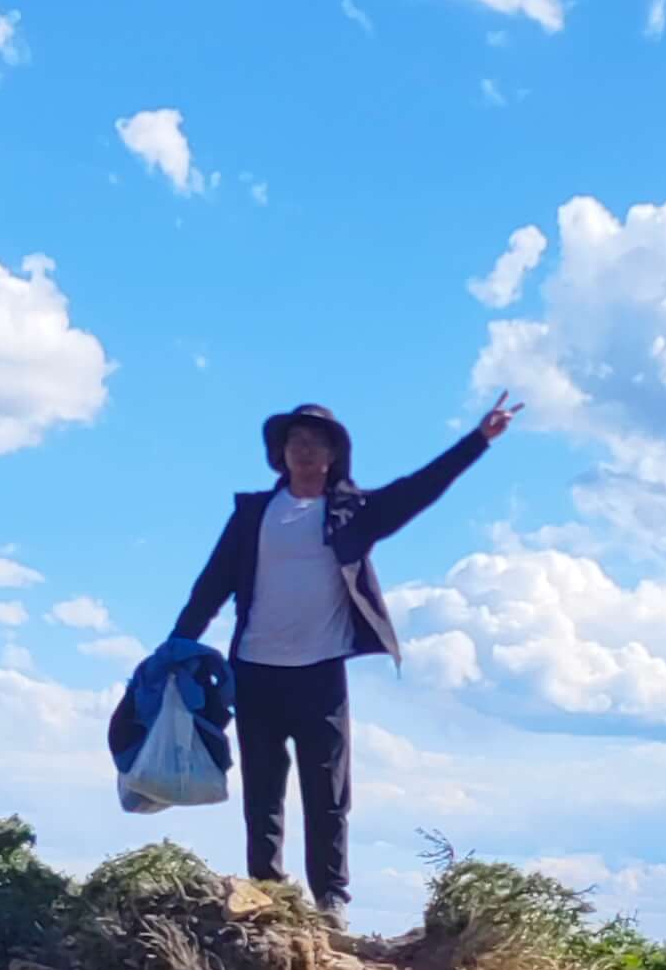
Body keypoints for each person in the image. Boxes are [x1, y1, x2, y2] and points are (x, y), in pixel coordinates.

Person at [174, 391, 516, 920]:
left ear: (334, 455)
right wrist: (179, 644)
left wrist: (477, 440)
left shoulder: (355, 513)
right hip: (255, 669)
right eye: (296, 441)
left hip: (321, 672)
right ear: (280, 452)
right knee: (262, 790)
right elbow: (212, 583)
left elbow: (418, 489)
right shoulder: (253, 513)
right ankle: (266, 892)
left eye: (316, 443)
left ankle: (331, 898)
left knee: (327, 791)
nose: (305, 450)